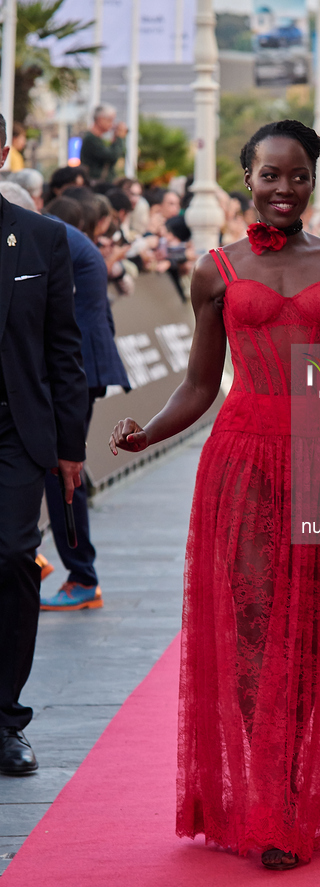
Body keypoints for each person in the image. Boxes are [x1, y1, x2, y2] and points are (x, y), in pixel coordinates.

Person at [109, 119, 320, 869]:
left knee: (308, 632)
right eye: (270, 174)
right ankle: (258, 789)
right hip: (239, 463)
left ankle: (291, 793)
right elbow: (200, 384)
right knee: (249, 628)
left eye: (297, 175)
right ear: (246, 179)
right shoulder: (213, 270)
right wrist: (149, 433)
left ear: (312, 182)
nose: (283, 188)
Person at [0, 113, 88, 775]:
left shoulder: (41, 238)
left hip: (14, 429)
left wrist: (69, 446)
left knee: (10, 558)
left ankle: (6, 719)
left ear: (5, 151)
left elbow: (64, 347)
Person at [38, 197, 130, 611]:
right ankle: (35, 558)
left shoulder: (48, 237)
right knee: (51, 468)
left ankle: (80, 575)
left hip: (76, 367)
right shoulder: (68, 239)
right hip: (84, 362)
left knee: (62, 472)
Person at [80, 104, 127, 184]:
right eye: (110, 120)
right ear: (100, 119)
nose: (112, 124)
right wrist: (120, 138)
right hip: (97, 184)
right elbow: (111, 155)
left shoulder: (96, 139)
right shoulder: (91, 139)